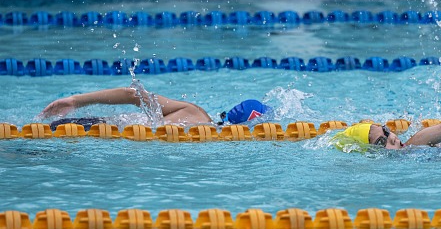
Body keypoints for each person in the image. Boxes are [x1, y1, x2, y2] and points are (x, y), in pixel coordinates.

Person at [39, 85, 271, 130]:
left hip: (95, 129)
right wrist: (73, 101)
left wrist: (76, 100)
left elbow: (134, 95)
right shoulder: (196, 116)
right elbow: (134, 94)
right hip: (93, 130)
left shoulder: (198, 115)